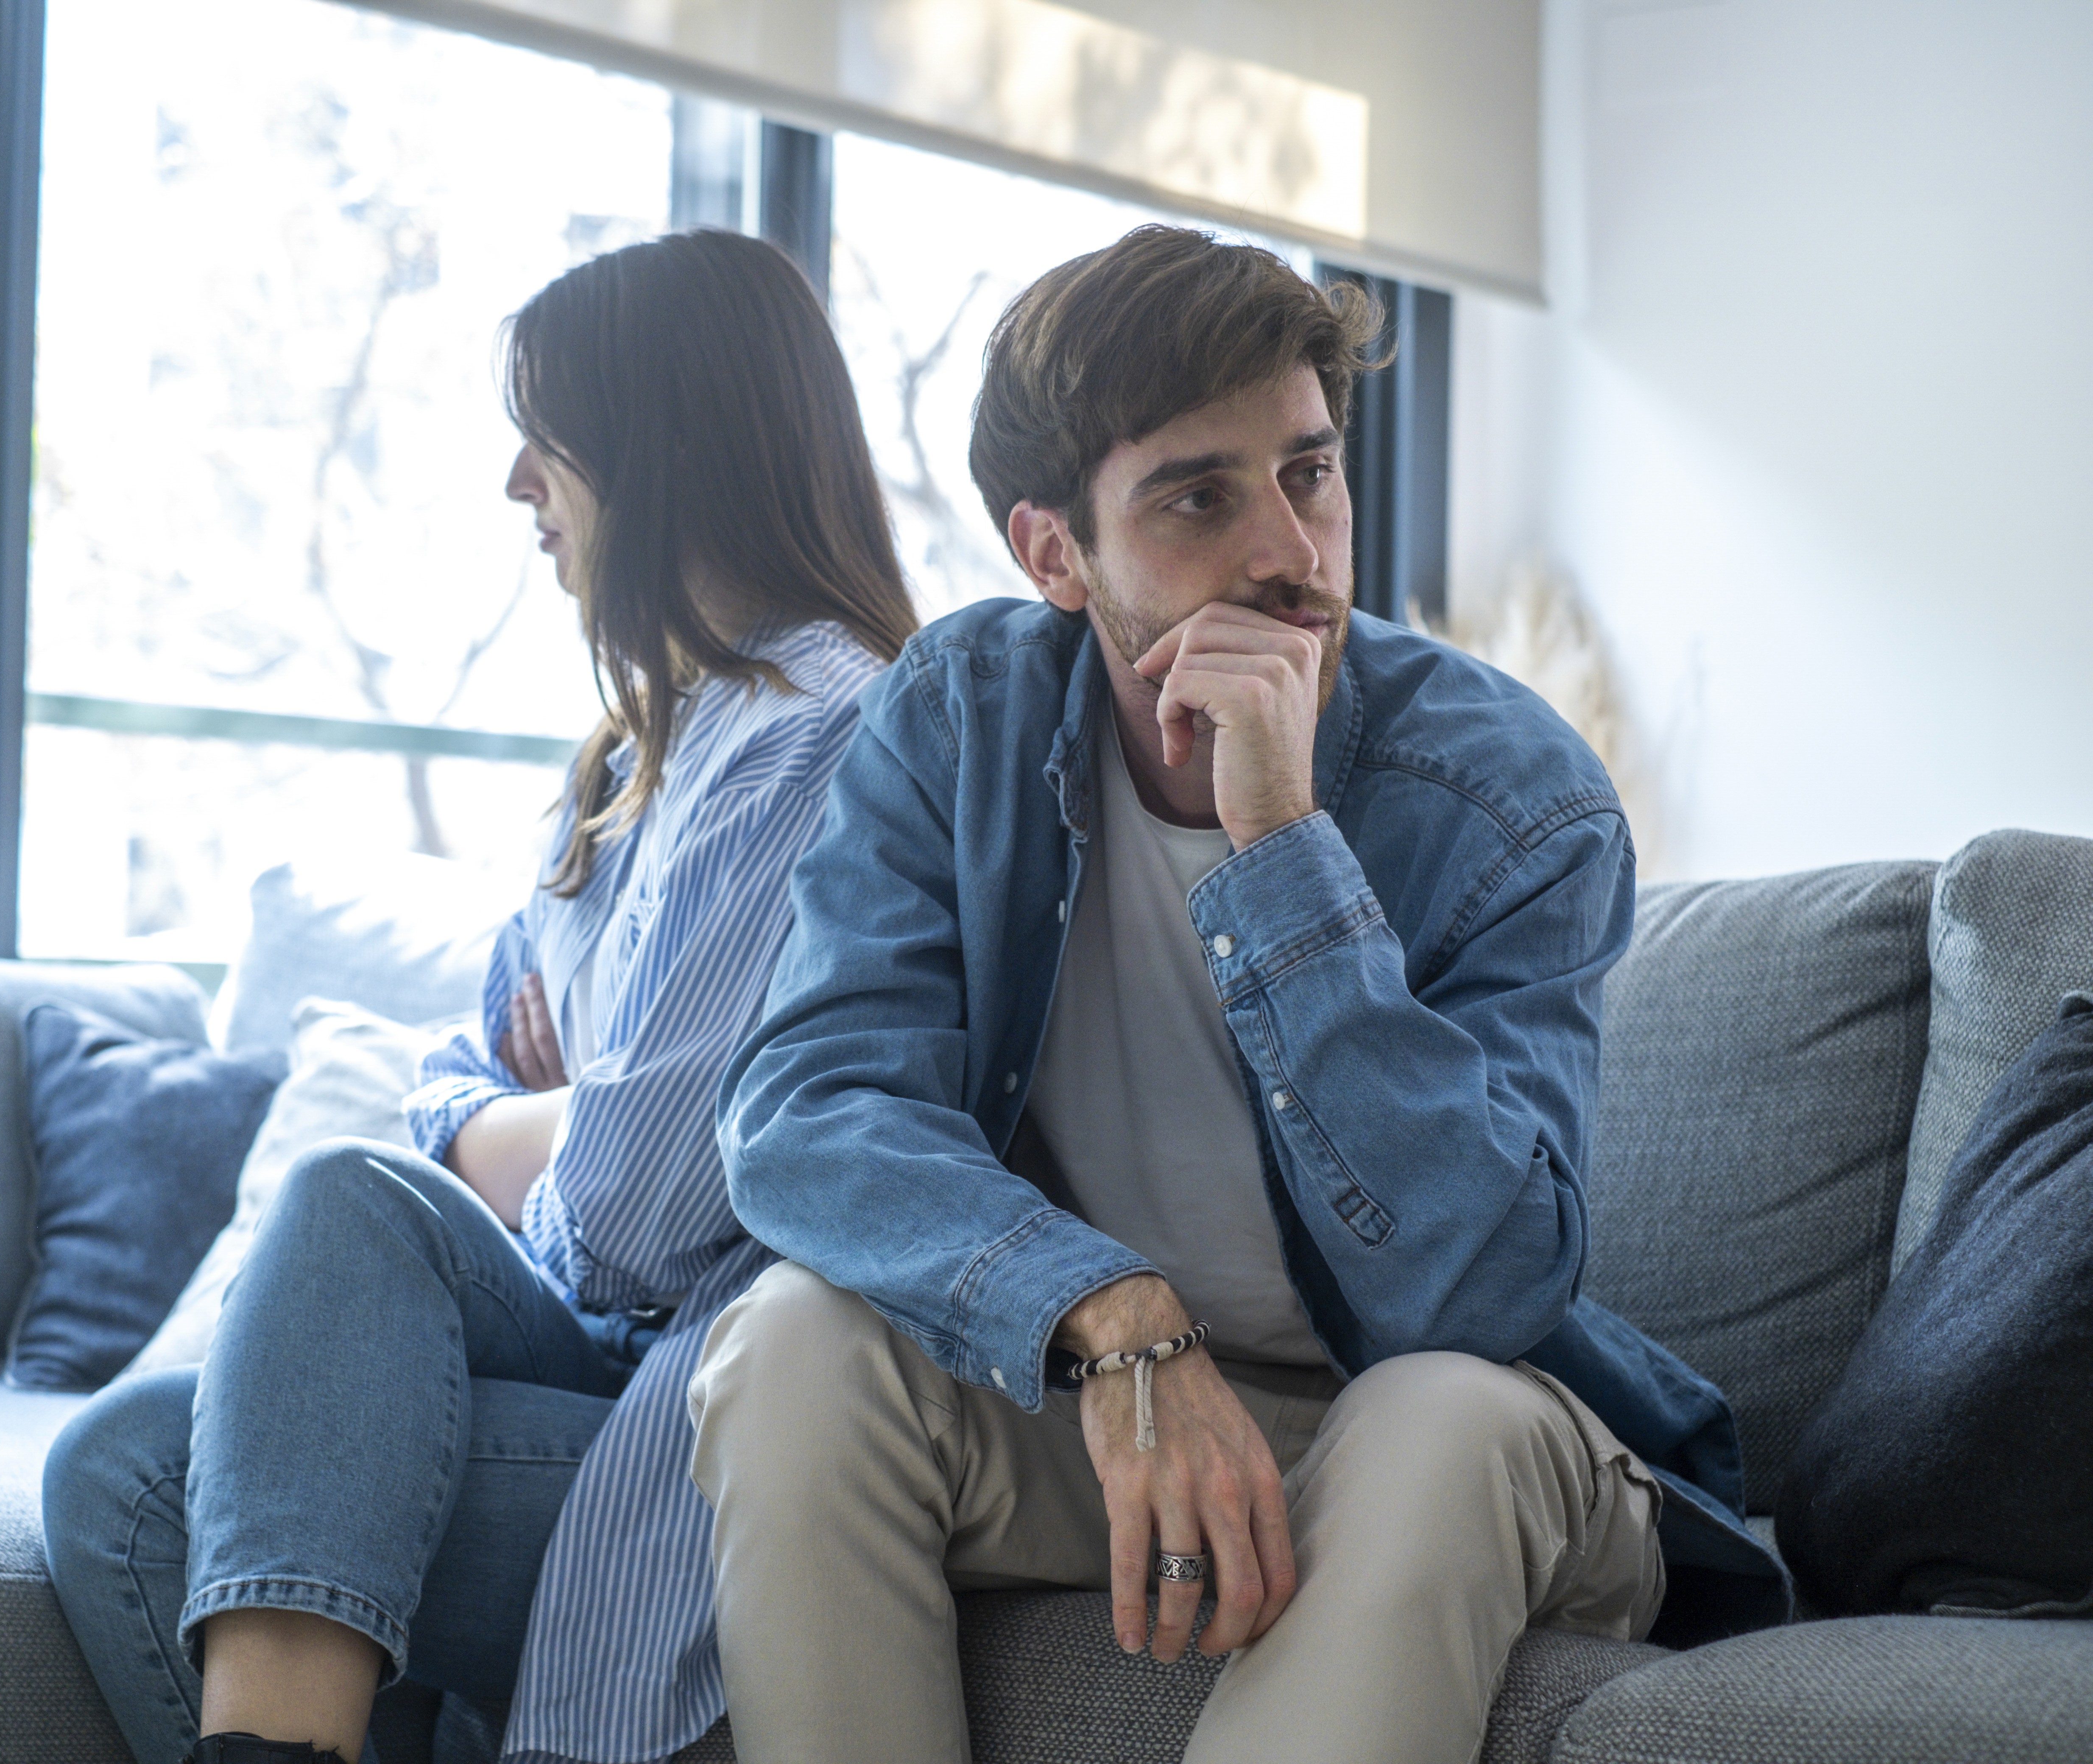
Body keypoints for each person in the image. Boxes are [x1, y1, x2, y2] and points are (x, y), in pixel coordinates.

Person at [691, 226, 1785, 1764]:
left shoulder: (1512, 795)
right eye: (1200, 497)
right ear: (1053, 555)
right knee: (792, 1346)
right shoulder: (962, 719)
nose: (1290, 550)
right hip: (1130, 1405)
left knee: (1435, 1419)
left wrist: (1284, 854)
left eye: (1312, 472)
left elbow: (1479, 1298)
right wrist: (1111, 1316)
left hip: (1460, 1427)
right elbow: (808, 1110)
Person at [42, 228, 918, 1764]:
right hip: (584, 1339)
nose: (520, 480)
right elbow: (455, 1076)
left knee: (160, 1456)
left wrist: (565, 1129)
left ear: (668, 446)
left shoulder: (817, 735)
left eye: (550, 432)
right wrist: (560, 1111)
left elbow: (639, 1221)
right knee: (184, 1389)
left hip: (695, 1401)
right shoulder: (630, 764)